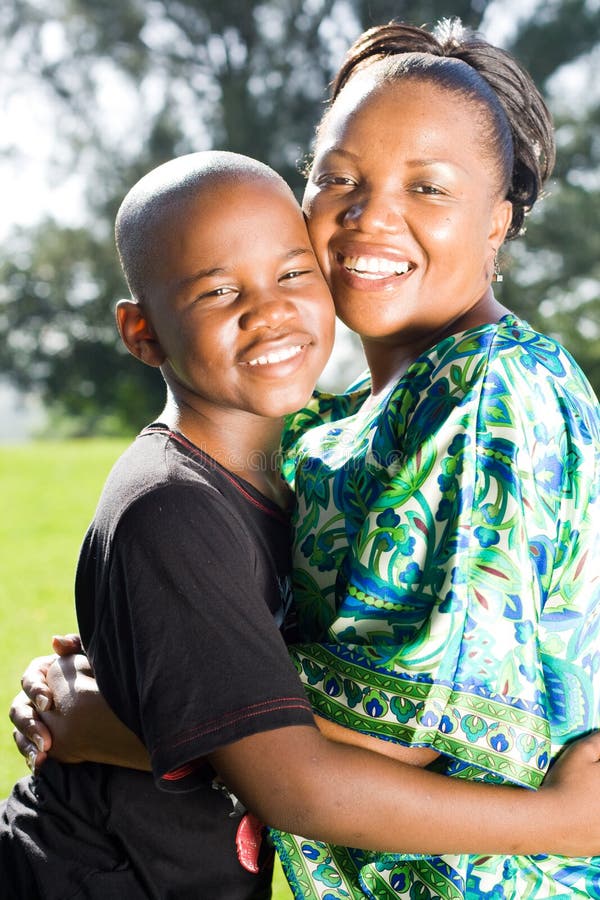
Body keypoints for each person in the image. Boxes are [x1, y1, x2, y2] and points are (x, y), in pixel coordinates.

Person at [9, 17, 600, 899]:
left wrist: (115, 722)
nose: (372, 214)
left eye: (429, 187)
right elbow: (251, 658)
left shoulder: (491, 394)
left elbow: (383, 734)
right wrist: (142, 666)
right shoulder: (333, 429)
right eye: (339, 177)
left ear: (499, 222)